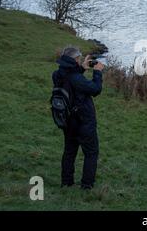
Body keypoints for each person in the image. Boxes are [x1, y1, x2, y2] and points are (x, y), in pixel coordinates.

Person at [52, 46, 104, 189]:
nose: (81, 60)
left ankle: (66, 182)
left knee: (69, 151)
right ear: (75, 59)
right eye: (79, 59)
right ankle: (87, 185)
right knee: (91, 152)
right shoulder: (75, 78)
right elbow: (95, 89)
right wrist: (97, 72)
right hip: (83, 122)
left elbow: (71, 82)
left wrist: (81, 68)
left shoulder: (57, 74)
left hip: (67, 120)